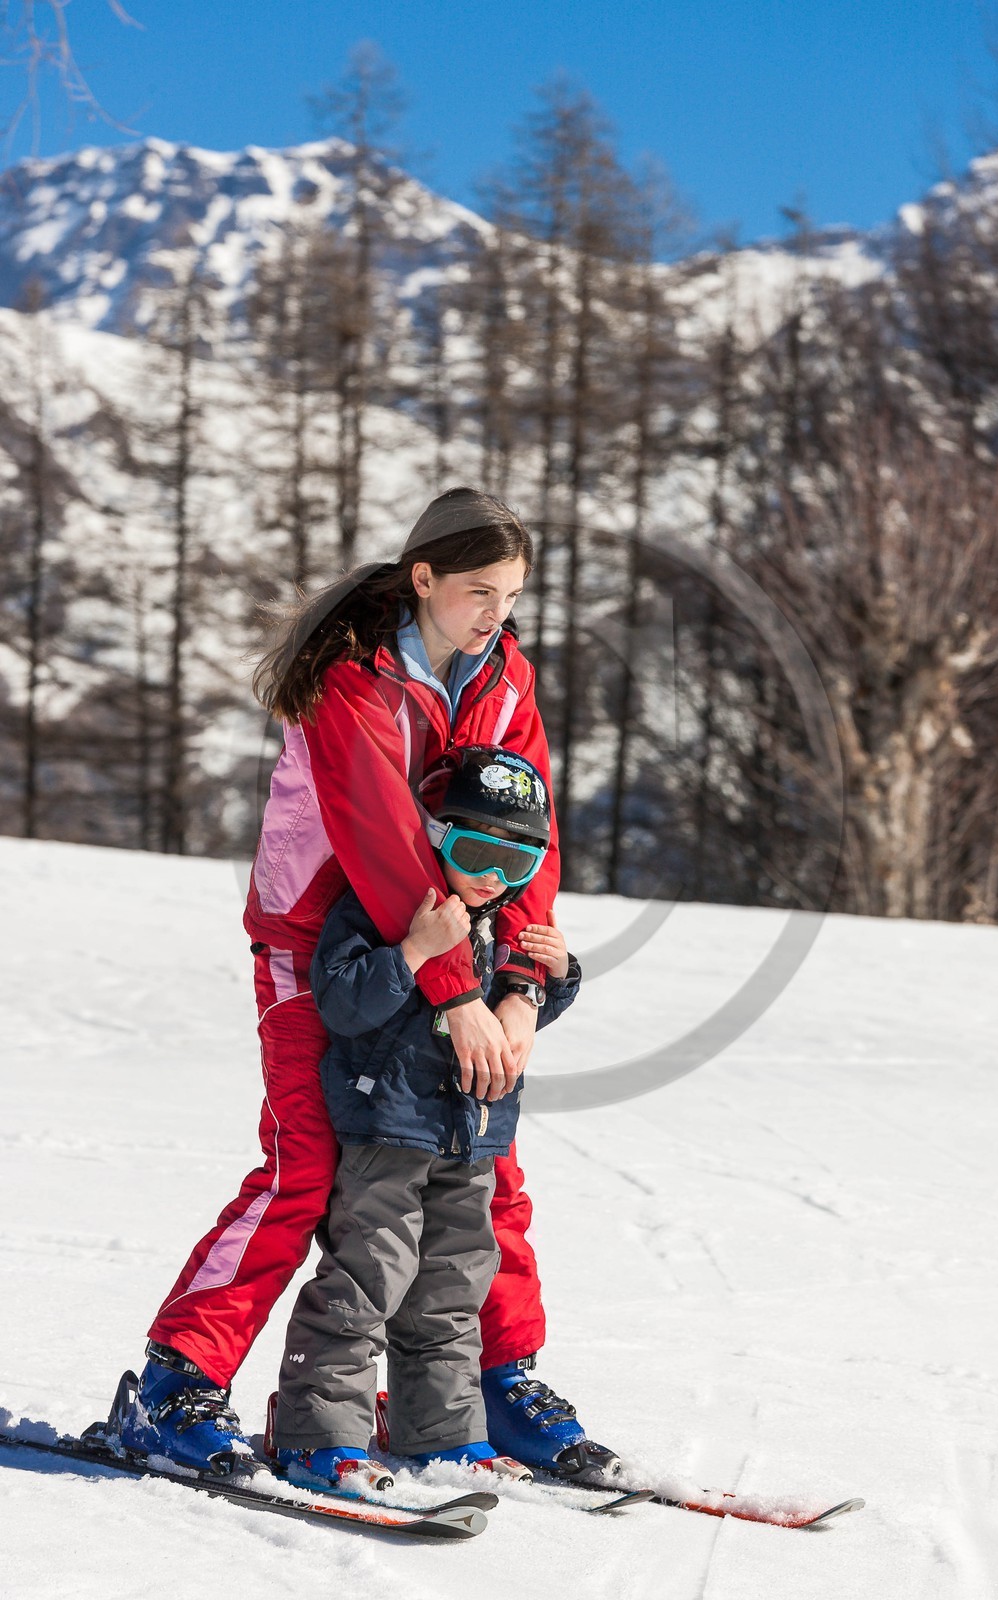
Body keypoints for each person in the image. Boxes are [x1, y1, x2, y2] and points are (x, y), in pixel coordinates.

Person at [118, 487, 616, 1480]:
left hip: (458, 957)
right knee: (304, 1168)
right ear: (422, 577)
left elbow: (530, 836)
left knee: (483, 1170)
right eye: (477, 590)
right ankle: (175, 1384)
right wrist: (456, 995)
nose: (494, 614)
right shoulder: (352, 682)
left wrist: (518, 985)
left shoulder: (502, 675)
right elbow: (385, 850)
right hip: (319, 951)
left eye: (509, 595)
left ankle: (495, 1381)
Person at [270, 747, 582, 1493]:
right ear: (433, 836)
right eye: (477, 853)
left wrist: (558, 977)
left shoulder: (502, 921)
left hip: (472, 1140)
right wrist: (412, 950)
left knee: (451, 1296)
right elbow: (343, 1004)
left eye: (518, 864)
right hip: (387, 1133)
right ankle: (319, 1437)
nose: (493, 879)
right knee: (366, 1284)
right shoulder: (382, 908)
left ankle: (442, 1437)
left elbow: (524, 1017)